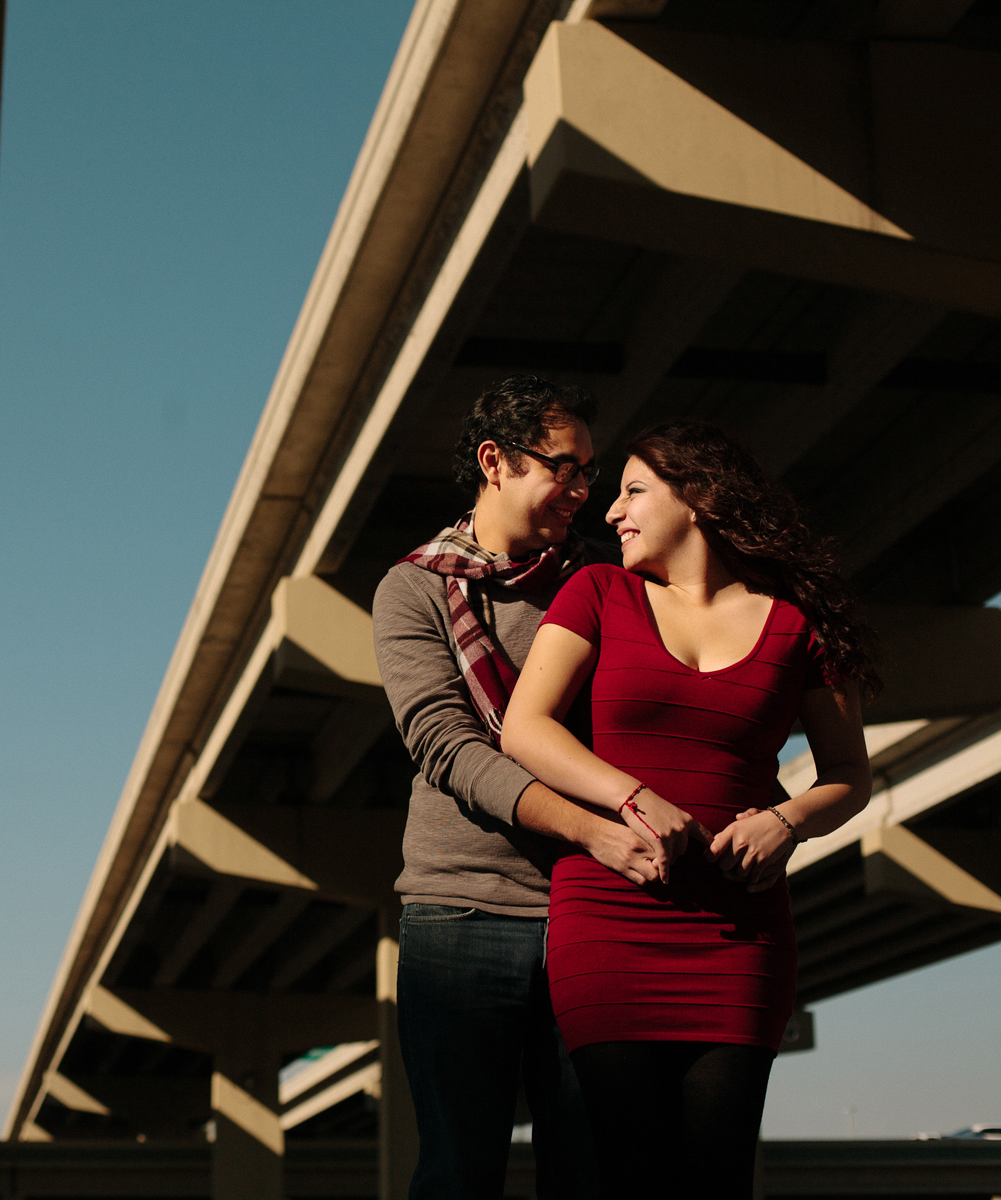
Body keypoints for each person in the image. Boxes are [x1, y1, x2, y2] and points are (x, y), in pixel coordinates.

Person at [500, 421, 876, 1200]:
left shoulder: (798, 624)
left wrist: (788, 819)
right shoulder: (597, 592)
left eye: (633, 491)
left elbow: (847, 775)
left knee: (718, 1178)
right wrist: (630, 794)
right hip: (609, 920)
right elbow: (524, 728)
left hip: (739, 935)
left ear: (698, 497)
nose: (611, 513)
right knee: (629, 1174)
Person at [374, 375, 662, 1200]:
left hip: (590, 911)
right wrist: (594, 828)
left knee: (593, 1171)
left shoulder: (603, 584)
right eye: (562, 468)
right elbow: (446, 745)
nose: (581, 492)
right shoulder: (415, 588)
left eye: (589, 474)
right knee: (460, 1172)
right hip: (460, 916)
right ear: (494, 461)